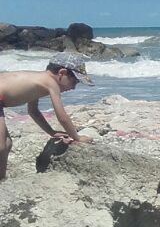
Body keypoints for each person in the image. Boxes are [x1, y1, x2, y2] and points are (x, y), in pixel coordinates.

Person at [0, 52, 94, 180]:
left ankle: (2, 180)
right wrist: (76, 137)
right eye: (74, 82)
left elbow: (33, 111)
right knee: (1, 145)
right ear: (62, 73)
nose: (73, 88)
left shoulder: (38, 81)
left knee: (6, 144)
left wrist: (51, 132)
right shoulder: (51, 83)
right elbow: (62, 117)